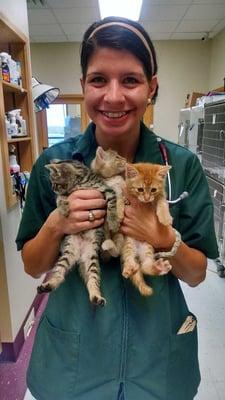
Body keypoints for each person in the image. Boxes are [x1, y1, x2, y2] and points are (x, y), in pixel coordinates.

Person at [16, 16, 218, 400]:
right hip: (75, 362)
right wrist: (58, 222)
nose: (113, 97)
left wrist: (159, 236)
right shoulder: (54, 165)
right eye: (98, 80)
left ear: (151, 87)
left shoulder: (180, 166)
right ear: (82, 86)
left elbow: (196, 275)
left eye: (130, 80)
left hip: (156, 361)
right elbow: (31, 265)